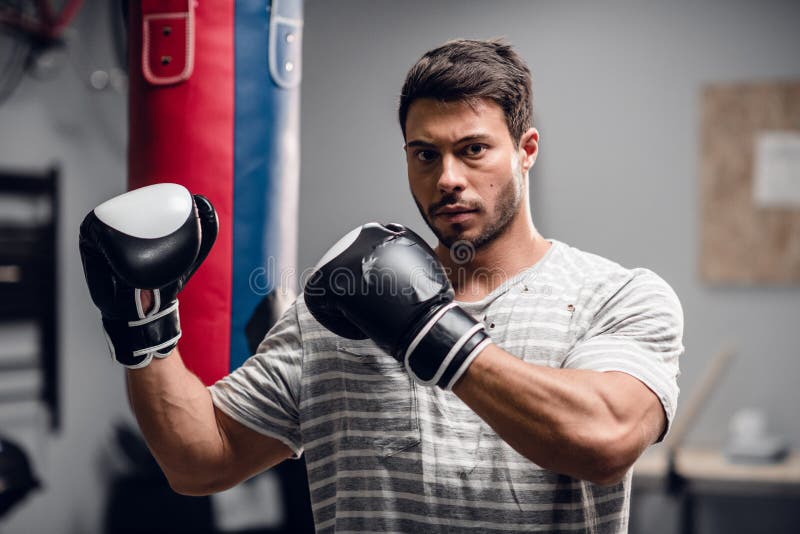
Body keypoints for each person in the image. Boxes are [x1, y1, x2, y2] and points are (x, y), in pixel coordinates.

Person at [80, 39, 682, 533]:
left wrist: (430, 332)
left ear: (526, 151)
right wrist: (144, 325)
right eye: (425, 155)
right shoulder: (341, 301)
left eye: (473, 150)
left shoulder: (617, 296)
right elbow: (199, 460)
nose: (447, 178)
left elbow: (606, 440)